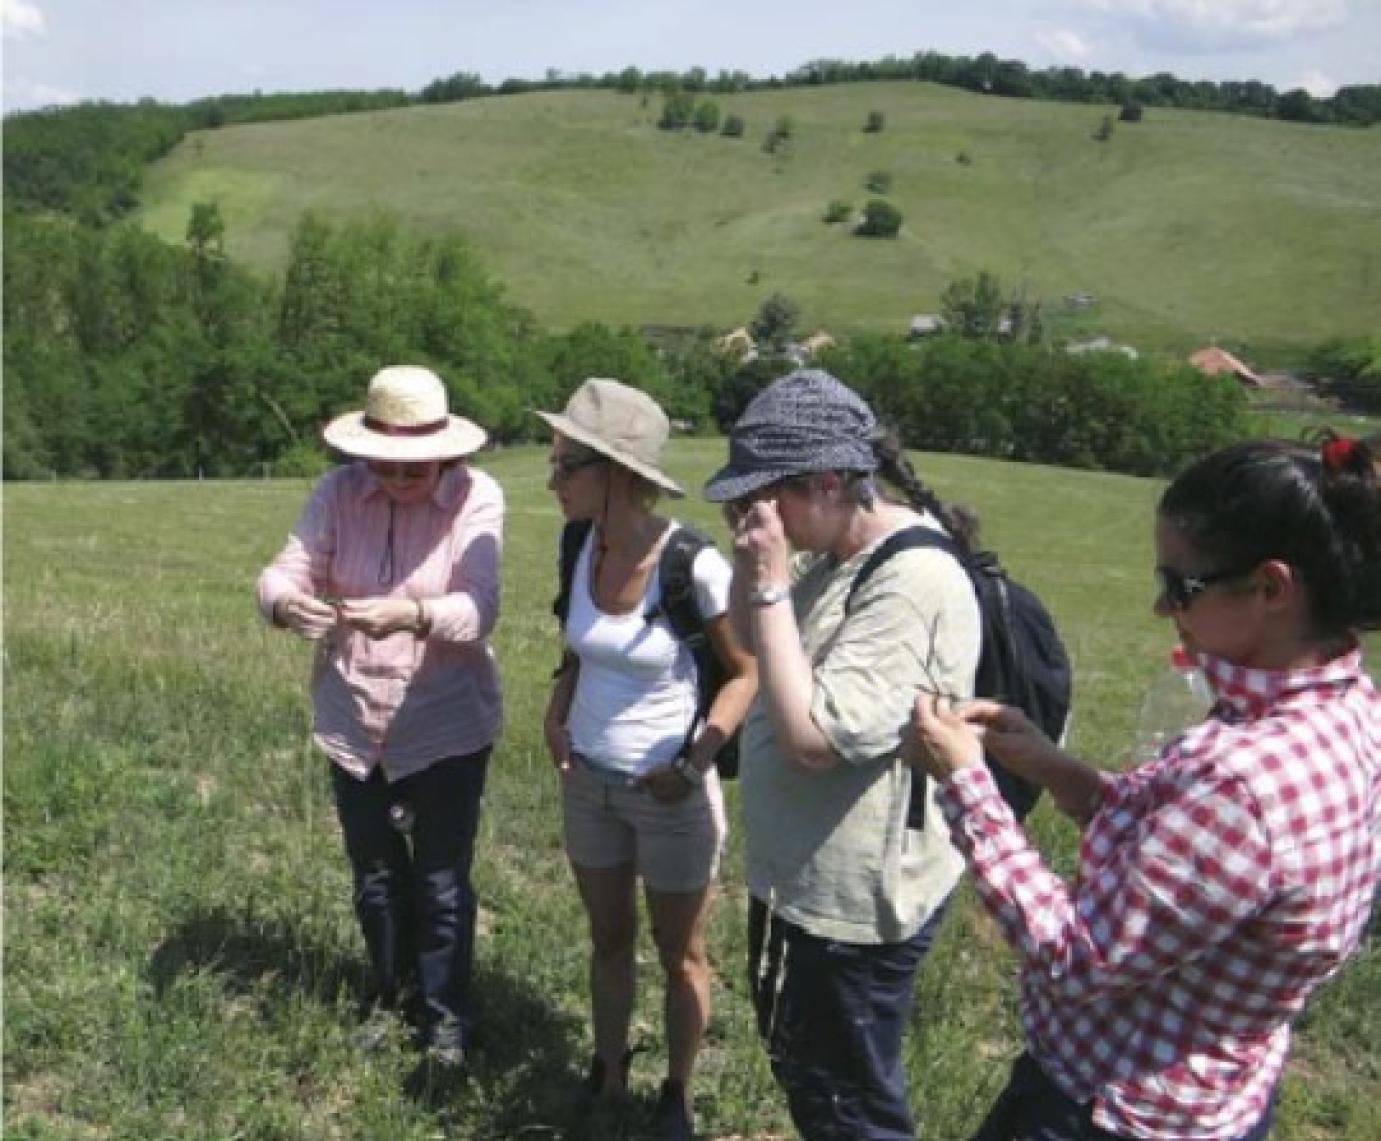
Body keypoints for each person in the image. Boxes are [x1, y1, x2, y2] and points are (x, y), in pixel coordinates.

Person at [911, 434, 1381, 1141]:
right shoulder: (1342, 709)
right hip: (1216, 1098)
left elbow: (1077, 958)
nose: (1163, 608)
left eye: (1179, 585)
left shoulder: (1239, 779)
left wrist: (967, 784)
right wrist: (1062, 773)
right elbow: (1191, 867)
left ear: (1270, 588)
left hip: (1106, 1108)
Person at [702, 368, 983, 1141]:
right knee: (813, 1081)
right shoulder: (832, 556)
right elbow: (751, 639)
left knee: (848, 1105)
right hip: (807, 885)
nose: (761, 515)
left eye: (769, 495)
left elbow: (812, 742)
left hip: (854, 907)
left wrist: (767, 582)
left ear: (827, 482)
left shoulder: (913, 579)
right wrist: (754, 563)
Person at [256, 365, 503, 1082]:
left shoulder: (475, 498)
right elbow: (281, 571)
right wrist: (285, 605)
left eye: (415, 463)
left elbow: (478, 607)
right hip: (354, 715)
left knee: (440, 879)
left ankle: (447, 1017)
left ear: (447, 452)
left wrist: (412, 614)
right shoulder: (336, 493)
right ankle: (390, 994)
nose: (399, 475)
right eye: (386, 461)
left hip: (444, 720)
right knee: (373, 874)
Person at [538, 378, 757, 1140]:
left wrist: (694, 765)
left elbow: (747, 674)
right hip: (588, 781)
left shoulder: (690, 564)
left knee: (681, 952)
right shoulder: (576, 544)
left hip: (670, 794)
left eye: (568, 465)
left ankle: (677, 1092)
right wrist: (557, 711)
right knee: (607, 939)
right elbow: (579, 649)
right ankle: (606, 1066)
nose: (552, 479)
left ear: (617, 473)